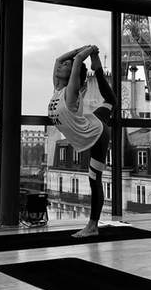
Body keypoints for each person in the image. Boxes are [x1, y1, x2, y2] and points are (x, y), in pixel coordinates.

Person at [48, 44, 117, 237]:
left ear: (73, 74)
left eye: (67, 66)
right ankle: (98, 68)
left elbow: (78, 60)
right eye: (63, 65)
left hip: (96, 135)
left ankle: (92, 227)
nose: (61, 65)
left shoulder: (71, 94)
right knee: (110, 102)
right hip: (92, 121)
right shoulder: (58, 90)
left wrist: (90, 51)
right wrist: (84, 49)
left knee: (94, 179)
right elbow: (58, 59)